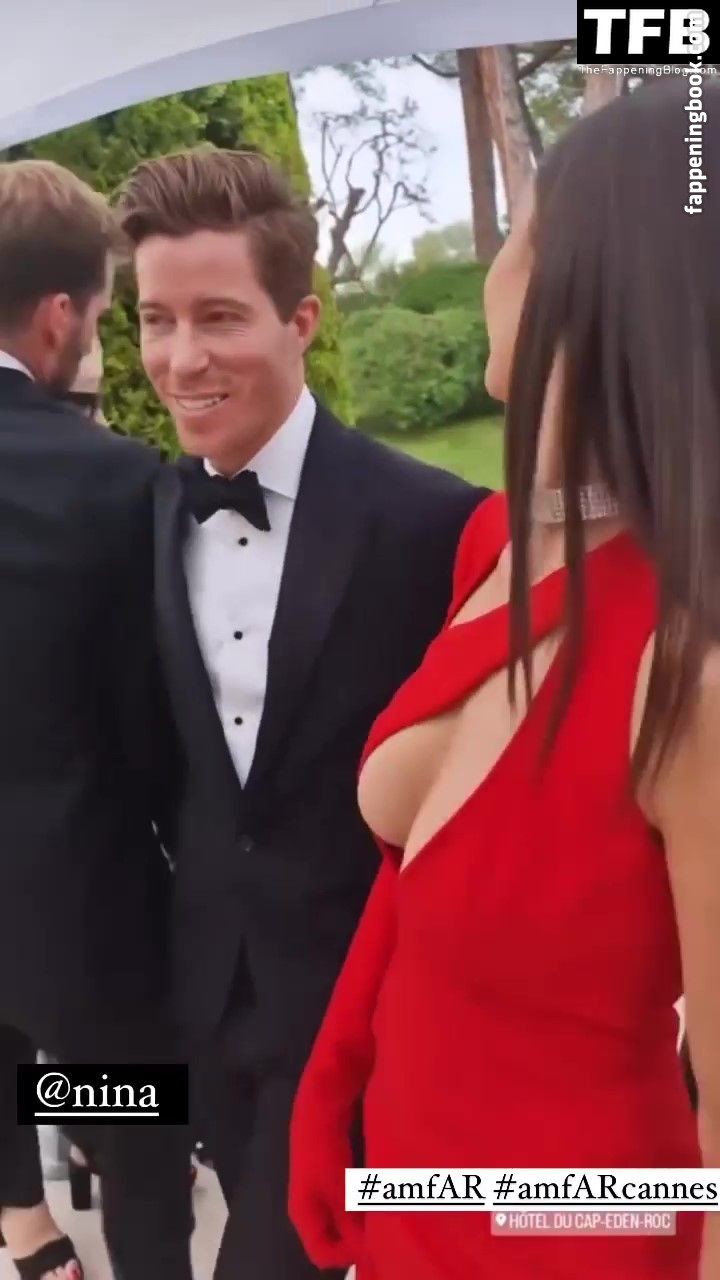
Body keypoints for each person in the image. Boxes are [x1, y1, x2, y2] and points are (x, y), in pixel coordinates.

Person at [288, 78, 720, 1280]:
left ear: (599, 282)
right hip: (415, 1200)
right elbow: (415, 888)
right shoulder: (498, 545)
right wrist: (333, 1095)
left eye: (519, 233)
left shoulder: (689, 672)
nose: (493, 268)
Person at [114, 146, 483, 1280]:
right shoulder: (140, 516)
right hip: (208, 1005)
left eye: (219, 317)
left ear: (302, 321)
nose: (181, 358)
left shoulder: (433, 522)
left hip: (363, 1008)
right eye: (157, 320)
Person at [0, 159, 194, 1280]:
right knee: (141, 1149)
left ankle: (26, 1232)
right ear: (59, 315)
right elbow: (153, 727)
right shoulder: (117, 481)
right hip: (84, 909)